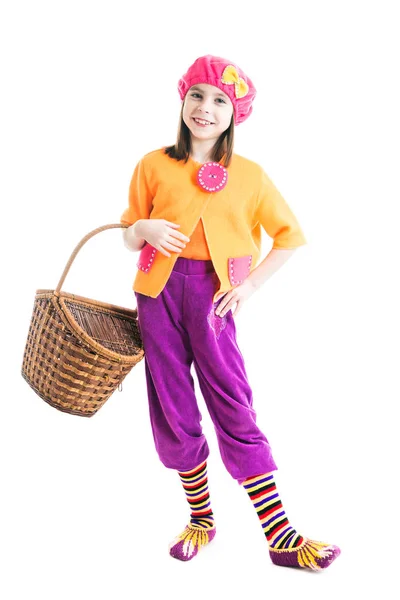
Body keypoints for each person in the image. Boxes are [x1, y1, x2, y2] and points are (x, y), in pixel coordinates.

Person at [120, 54, 340, 571]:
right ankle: (201, 518)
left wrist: (249, 287)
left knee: (232, 402)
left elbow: (289, 238)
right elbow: (129, 231)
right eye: (197, 94)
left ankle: (279, 533)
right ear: (183, 100)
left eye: (220, 100)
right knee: (173, 403)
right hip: (156, 294)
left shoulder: (251, 177)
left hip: (214, 296)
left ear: (235, 114)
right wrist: (144, 230)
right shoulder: (153, 164)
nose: (206, 108)